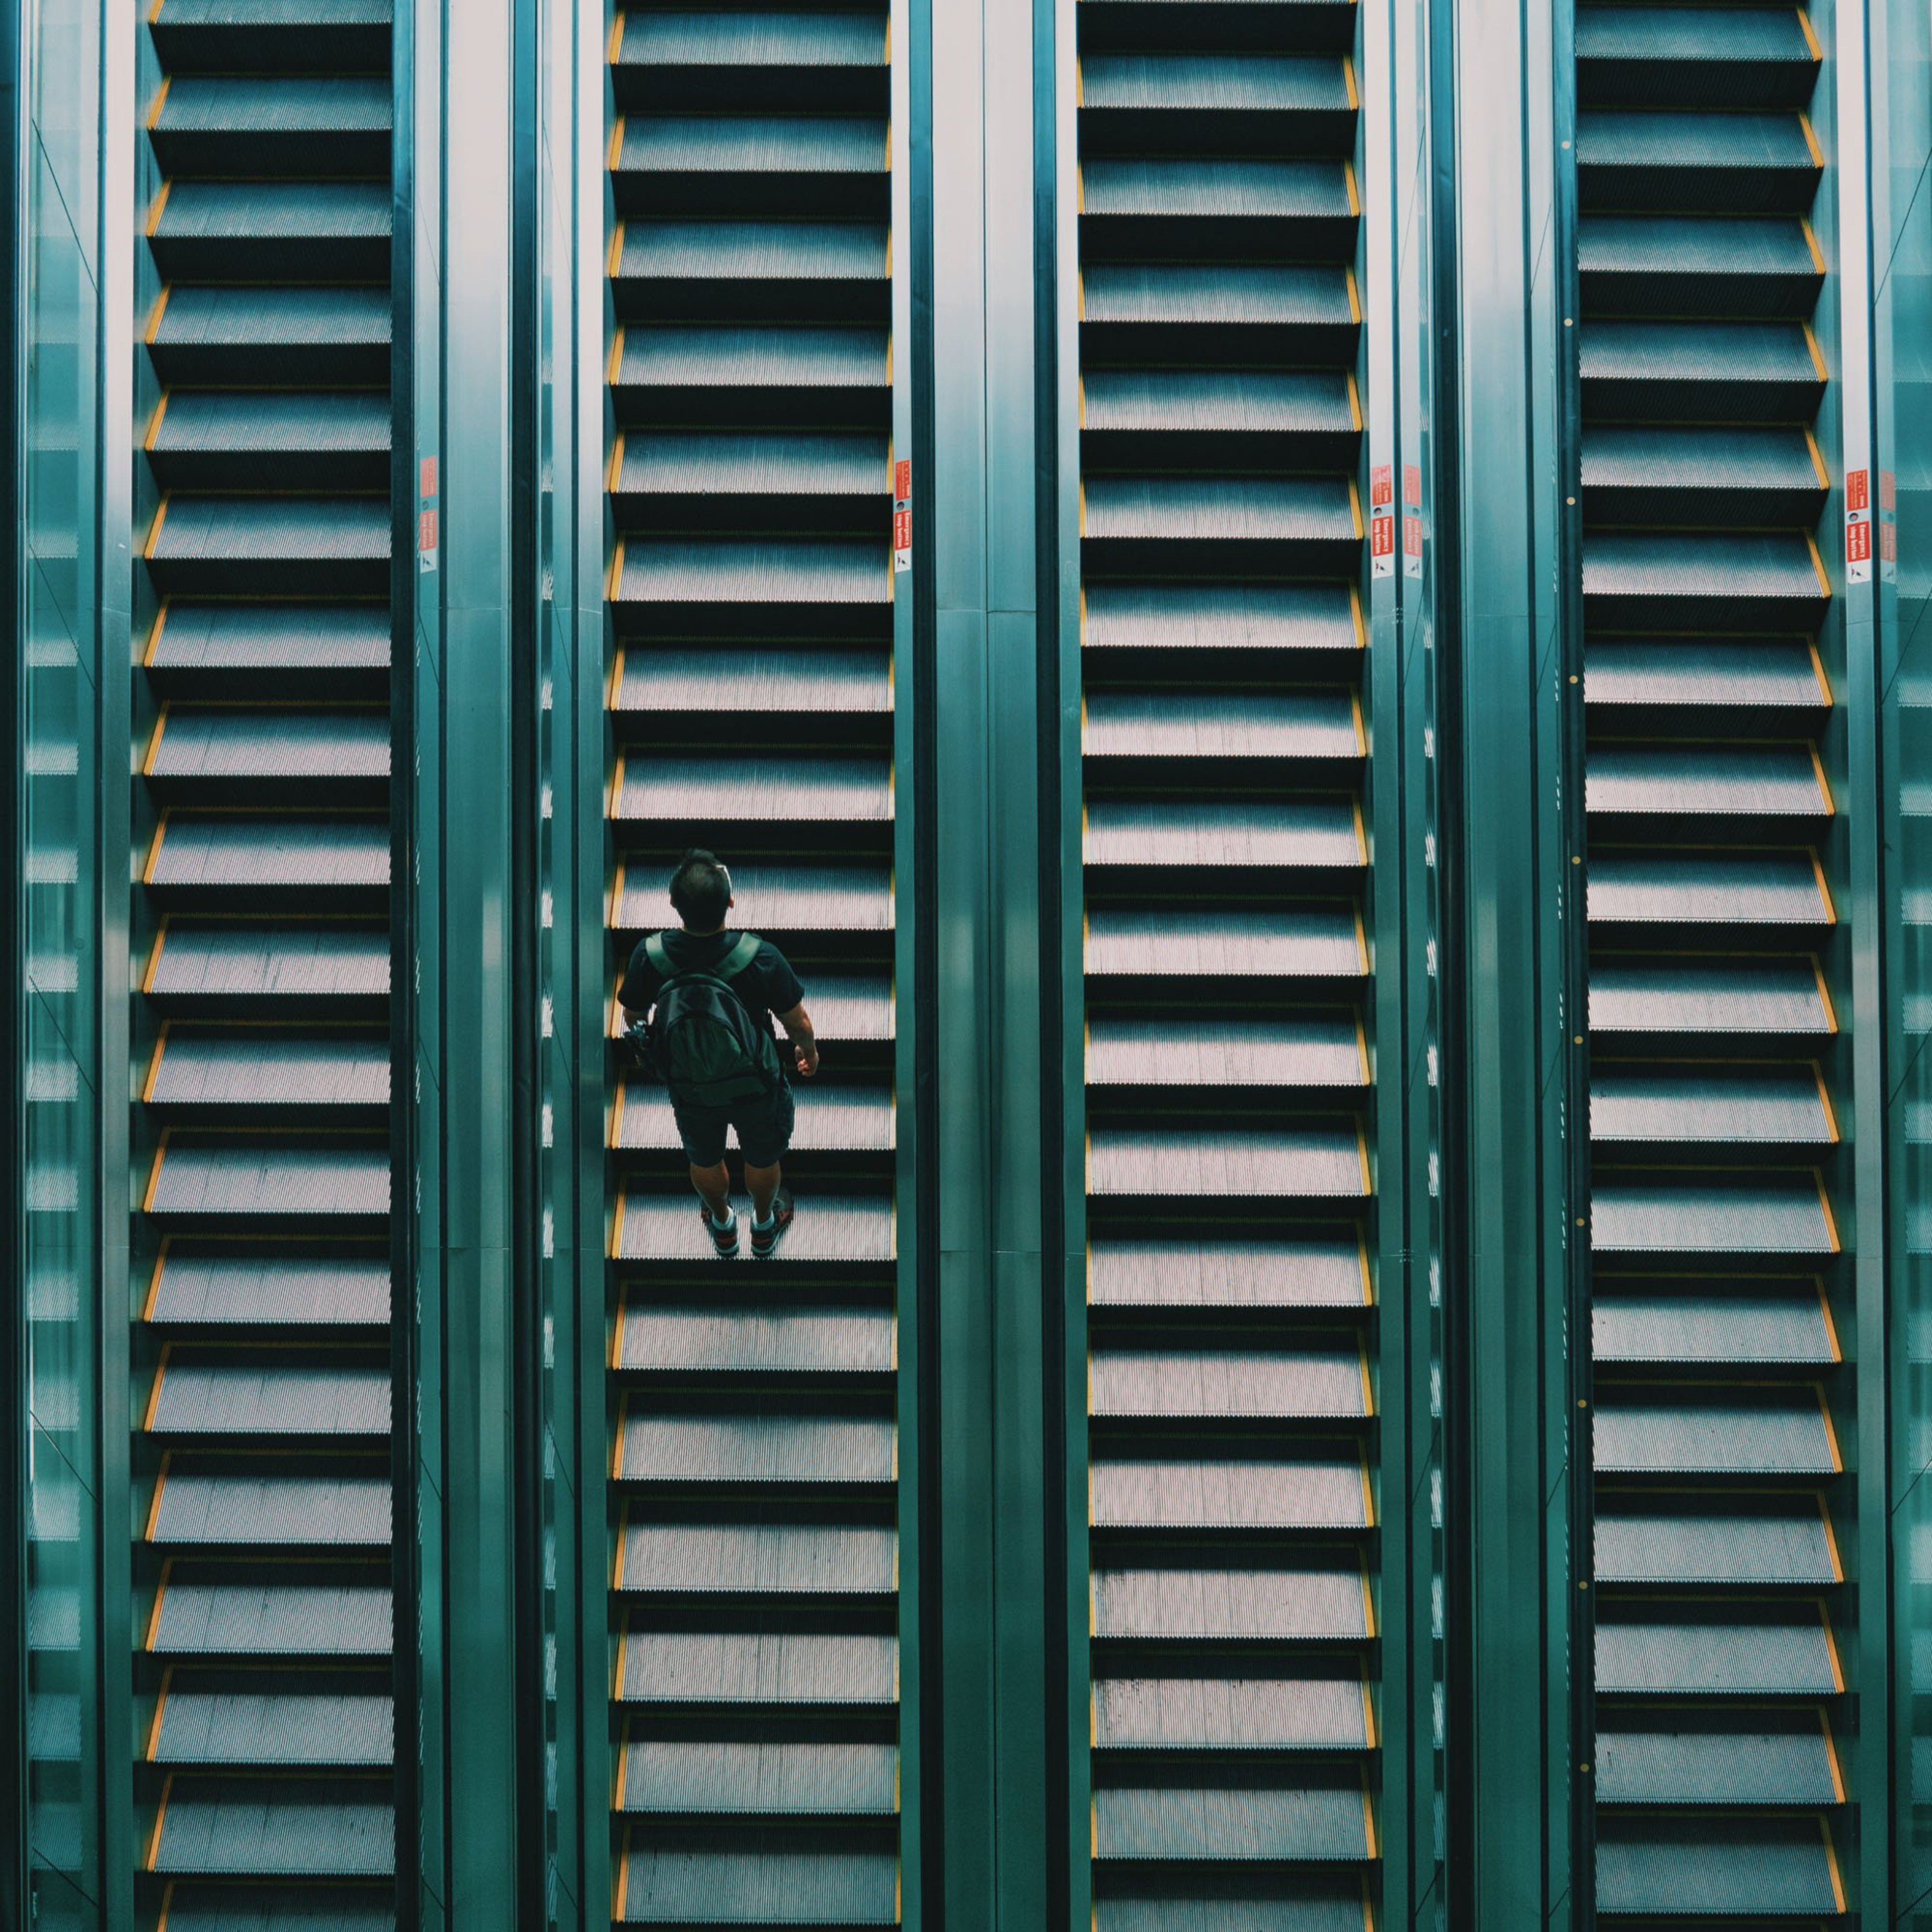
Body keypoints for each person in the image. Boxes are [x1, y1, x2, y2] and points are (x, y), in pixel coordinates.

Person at [619, 848, 818, 1257]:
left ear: (674, 904)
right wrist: (809, 1052)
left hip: (691, 1086)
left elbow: (633, 1015)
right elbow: (797, 1021)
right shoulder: (760, 957)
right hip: (755, 1082)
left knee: (704, 1157)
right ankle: (763, 1227)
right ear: (730, 901)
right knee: (763, 1157)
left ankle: (723, 1226)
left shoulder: (650, 956)